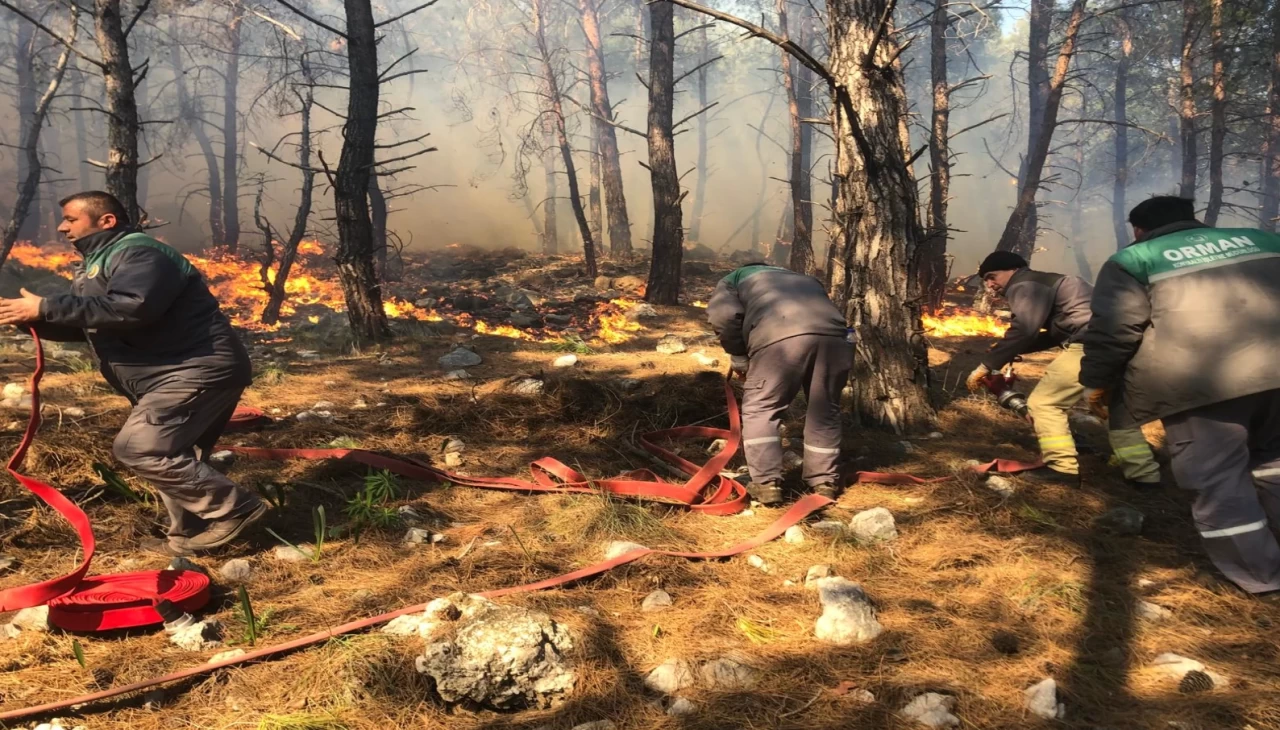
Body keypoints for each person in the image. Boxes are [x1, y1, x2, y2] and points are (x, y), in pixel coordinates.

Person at [0, 191, 266, 557]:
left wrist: (46, 305)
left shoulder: (140, 252)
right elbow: (94, 323)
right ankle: (188, 539)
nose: (62, 227)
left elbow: (132, 308)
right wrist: (30, 318)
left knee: (140, 447)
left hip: (195, 368)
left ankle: (236, 508)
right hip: (173, 371)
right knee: (173, 453)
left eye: (70, 220)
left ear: (106, 220)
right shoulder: (103, 260)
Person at [1080, 196, 1280, 597]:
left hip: (1200, 385)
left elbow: (1116, 330)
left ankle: (1261, 578)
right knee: (1274, 465)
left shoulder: (1134, 259)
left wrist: (1096, 382)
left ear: (1140, 229)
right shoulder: (1264, 239)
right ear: (1192, 218)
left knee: (1217, 481)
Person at [965, 251, 1161, 487]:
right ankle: (1144, 474)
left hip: (1092, 345)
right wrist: (1013, 350)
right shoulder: (1054, 280)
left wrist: (987, 365)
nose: (989, 284)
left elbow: (1025, 329)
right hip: (1121, 345)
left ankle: (1061, 468)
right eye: (986, 280)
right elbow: (1061, 330)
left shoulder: (1025, 284)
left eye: (991, 276)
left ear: (1013, 270)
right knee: (1115, 407)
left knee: (1045, 404)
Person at [706, 263, 851, 505]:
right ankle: (824, 481)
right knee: (824, 409)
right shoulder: (803, 278)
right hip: (836, 339)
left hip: (780, 338)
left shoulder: (734, 278)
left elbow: (723, 316)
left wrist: (738, 354)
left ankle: (765, 484)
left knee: (762, 408)